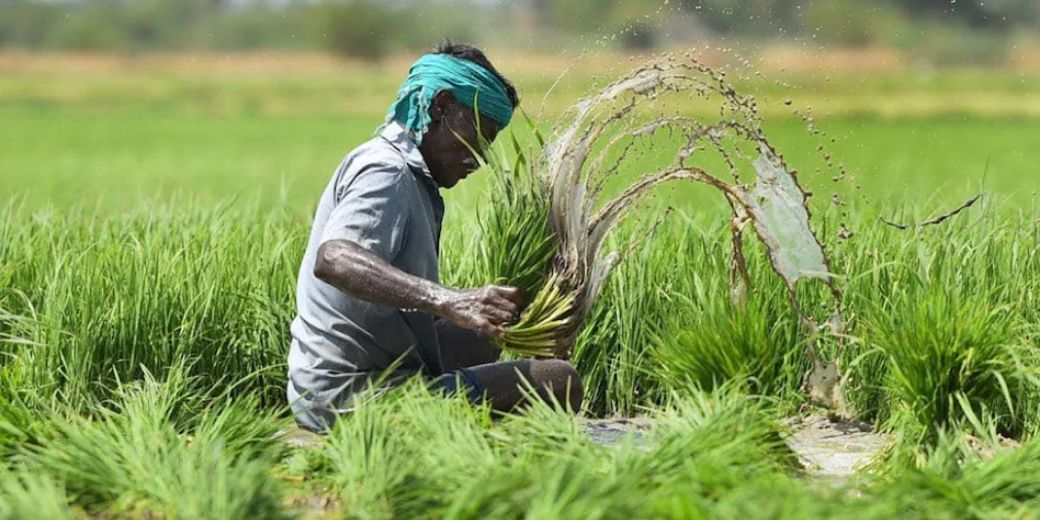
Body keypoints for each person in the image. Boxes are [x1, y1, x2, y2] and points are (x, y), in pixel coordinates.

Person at [287, 42, 583, 432]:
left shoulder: (410, 176)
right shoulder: (387, 171)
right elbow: (335, 259)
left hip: (350, 380)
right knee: (560, 380)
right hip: (350, 397)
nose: (480, 158)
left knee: (488, 335)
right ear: (441, 106)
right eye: (480, 134)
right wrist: (448, 300)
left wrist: (515, 315)